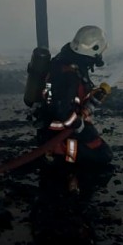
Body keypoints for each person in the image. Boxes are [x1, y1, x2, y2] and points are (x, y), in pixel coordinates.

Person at [34, 25, 114, 169]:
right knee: (104, 155)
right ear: (94, 49)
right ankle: (58, 155)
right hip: (61, 131)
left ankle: (56, 152)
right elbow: (62, 110)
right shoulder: (69, 75)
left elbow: (70, 96)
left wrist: (93, 97)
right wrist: (78, 125)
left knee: (97, 147)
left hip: (52, 125)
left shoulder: (65, 60)